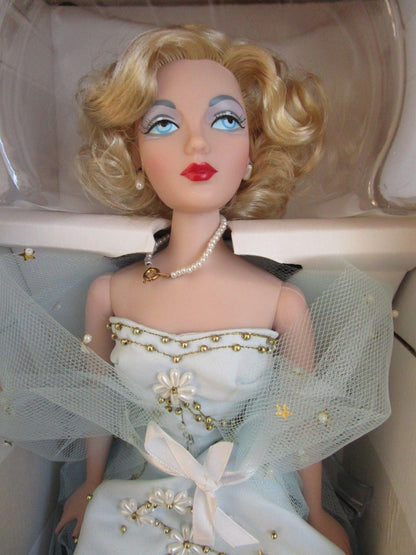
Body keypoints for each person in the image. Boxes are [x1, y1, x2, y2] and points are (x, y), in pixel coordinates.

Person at [0, 25, 391, 555]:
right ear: (135, 155)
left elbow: (299, 419)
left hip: (250, 490)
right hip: (139, 490)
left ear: (252, 151)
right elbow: (98, 402)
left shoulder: (281, 301)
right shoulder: (110, 293)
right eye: (164, 124)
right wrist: (90, 484)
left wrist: (317, 511)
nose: (198, 143)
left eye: (226, 120)